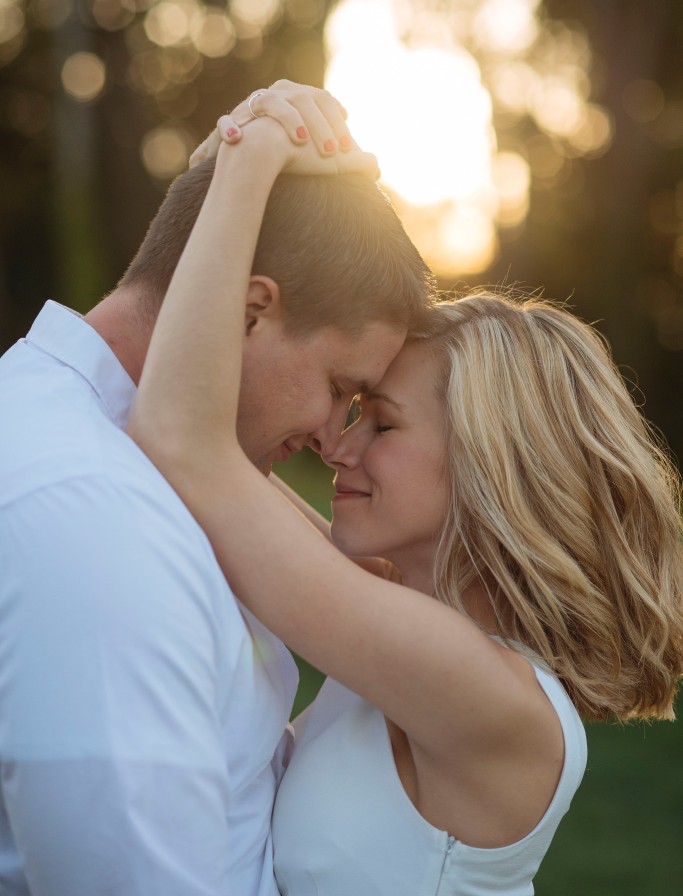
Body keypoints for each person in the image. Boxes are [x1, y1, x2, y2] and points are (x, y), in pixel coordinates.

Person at [128, 89, 683, 896]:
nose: (336, 446)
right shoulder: (403, 614)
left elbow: (185, 444)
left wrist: (250, 157)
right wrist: (223, 176)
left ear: (489, 467)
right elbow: (206, 461)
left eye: (380, 423)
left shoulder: (481, 690)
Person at [0, 82, 434, 895]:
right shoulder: (95, 520)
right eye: (339, 387)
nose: (330, 437)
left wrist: (232, 171)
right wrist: (245, 159)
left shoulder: (105, 454)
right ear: (248, 309)